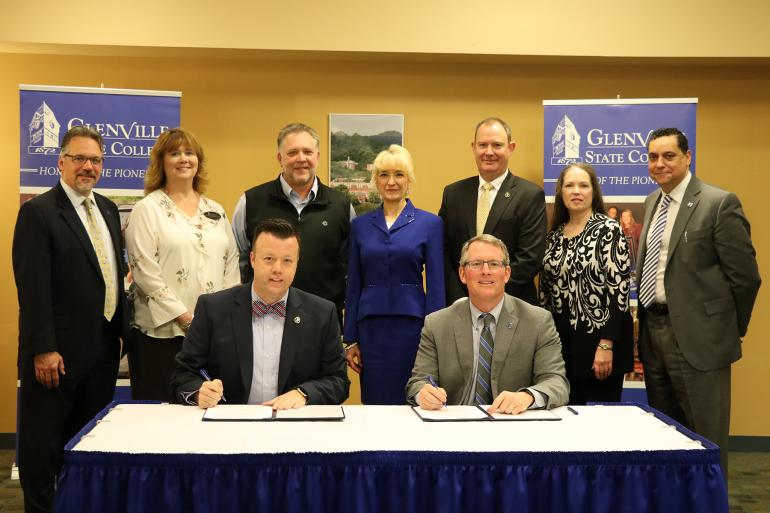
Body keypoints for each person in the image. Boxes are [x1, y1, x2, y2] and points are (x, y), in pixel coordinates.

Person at [12, 125, 126, 513]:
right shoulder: (38, 213)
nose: (88, 167)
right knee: (42, 451)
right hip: (54, 360)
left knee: (87, 445)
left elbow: (110, 274)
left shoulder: (108, 209)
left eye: (95, 160)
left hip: (101, 355)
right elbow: (32, 288)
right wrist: (43, 349)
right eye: (79, 158)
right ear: (61, 162)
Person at [637, 127, 760, 474]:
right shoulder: (651, 202)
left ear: (687, 157)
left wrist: (725, 329)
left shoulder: (718, 203)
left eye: (668, 156)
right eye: (653, 157)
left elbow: (746, 277)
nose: (659, 164)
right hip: (654, 333)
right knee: (666, 435)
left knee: (706, 440)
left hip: (701, 340)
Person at [171, 218, 350, 408]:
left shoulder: (322, 313)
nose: (277, 269)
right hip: (229, 426)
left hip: (294, 426)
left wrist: (304, 394)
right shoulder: (213, 308)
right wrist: (199, 392)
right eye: (269, 259)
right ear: (253, 259)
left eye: (287, 261)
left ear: (297, 263)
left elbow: (338, 381)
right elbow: (182, 374)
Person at [124, 128, 239, 401]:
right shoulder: (147, 209)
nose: (183, 159)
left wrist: (220, 317)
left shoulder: (216, 209)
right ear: (161, 161)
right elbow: (143, 270)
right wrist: (186, 319)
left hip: (211, 336)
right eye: (174, 153)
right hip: (161, 336)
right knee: (160, 419)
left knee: (206, 412)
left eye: (189, 153)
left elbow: (231, 262)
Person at [406, 234, 569, 413]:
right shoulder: (436, 324)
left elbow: (556, 382)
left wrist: (528, 396)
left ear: (506, 273)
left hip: (513, 423)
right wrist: (424, 394)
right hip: (454, 424)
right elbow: (418, 382)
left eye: (494, 264)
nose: (486, 271)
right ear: (462, 273)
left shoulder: (538, 321)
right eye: (476, 264)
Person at [343, 145, 445, 404]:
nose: (391, 182)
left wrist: (435, 334)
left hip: (414, 328)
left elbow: (435, 285)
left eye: (399, 174)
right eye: (384, 175)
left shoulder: (430, 224)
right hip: (371, 330)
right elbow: (353, 284)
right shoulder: (360, 226)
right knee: (376, 402)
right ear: (375, 180)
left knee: (414, 398)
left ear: (409, 180)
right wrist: (350, 339)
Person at [231, 123, 354, 325]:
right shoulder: (250, 202)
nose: (301, 159)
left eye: (307, 152)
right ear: (280, 158)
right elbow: (237, 263)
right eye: (292, 152)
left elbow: (350, 268)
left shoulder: (342, 206)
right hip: (261, 318)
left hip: (322, 322)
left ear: (317, 156)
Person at [539, 163, 634, 404]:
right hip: (560, 348)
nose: (576, 191)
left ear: (594, 191)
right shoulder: (554, 235)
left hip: (599, 348)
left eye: (583, 185)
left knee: (598, 429)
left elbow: (619, 294)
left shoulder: (609, 230)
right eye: (569, 185)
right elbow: (545, 294)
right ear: (561, 192)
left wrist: (606, 344)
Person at [439, 117, 546, 306]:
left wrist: (488, 295)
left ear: (511, 148)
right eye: (482, 145)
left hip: (512, 306)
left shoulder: (530, 195)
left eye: (497, 145)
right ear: (473, 147)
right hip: (460, 306)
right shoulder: (453, 194)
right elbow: (444, 252)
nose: (489, 152)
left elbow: (530, 259)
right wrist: (463, 298)